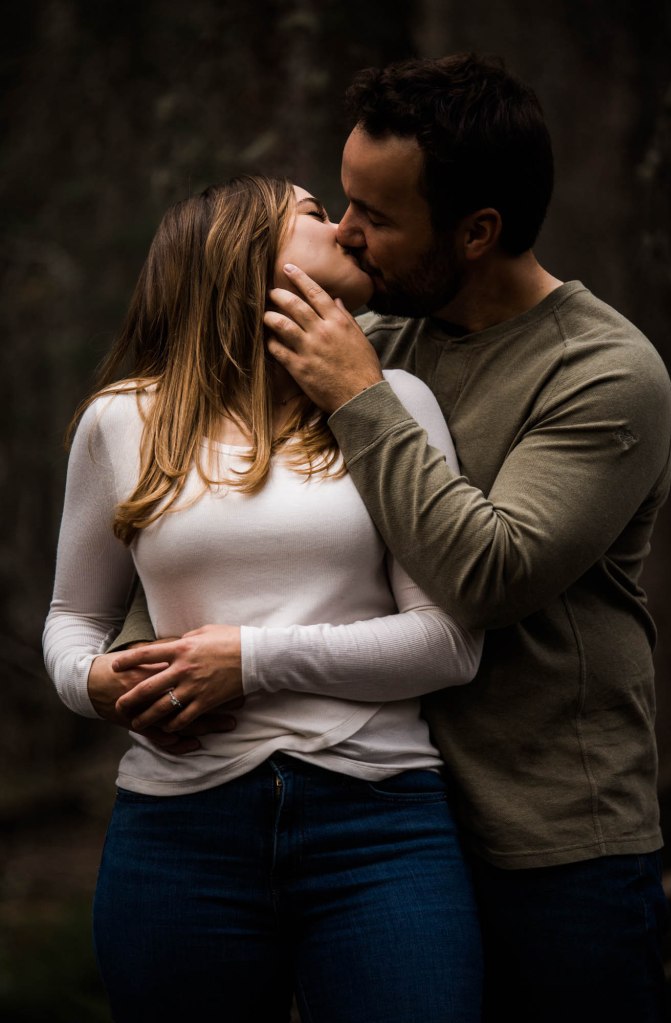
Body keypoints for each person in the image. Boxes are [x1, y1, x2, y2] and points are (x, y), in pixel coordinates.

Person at [253, 55, 671, 1022]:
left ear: (477, 231)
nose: (346, 235)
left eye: (377, 216)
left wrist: (358, 395)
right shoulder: (378, 337)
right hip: (385, 828)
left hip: (555, 842)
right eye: (342, 200)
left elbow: (489, 575)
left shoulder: (606, 373)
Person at [43, 174, 484, 1023]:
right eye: (317, 214)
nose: (349, 230)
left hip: (381, 823)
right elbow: (73, 621)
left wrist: (247, 661)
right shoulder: (122, 421)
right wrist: (94, 684)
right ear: (245, 257)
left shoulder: (397, 403)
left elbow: (449, 644)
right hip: (177, 831)